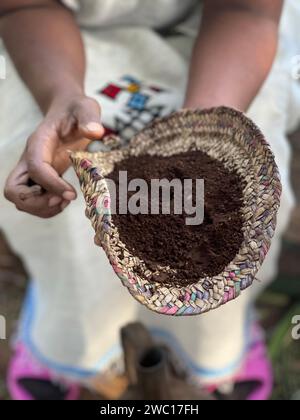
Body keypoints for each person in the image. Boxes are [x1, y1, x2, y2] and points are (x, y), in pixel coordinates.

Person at [0, 0, 299, 400]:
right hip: (58, 48)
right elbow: (23, 7)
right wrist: (59, 96)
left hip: (223, 45)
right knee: (49, 168)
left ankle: (216, 347)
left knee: (241, 199)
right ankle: (71, 339)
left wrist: (200, 135)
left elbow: (247, 10)